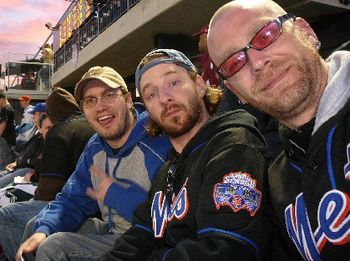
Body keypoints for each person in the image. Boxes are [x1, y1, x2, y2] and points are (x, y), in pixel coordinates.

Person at [207, 0, 350, 259]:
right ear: (235, 92)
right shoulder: (276, 183)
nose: (256, 62)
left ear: (306, 31)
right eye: (234, 62)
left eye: (265, 35)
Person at [103, 49, 272, 260]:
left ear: (200, 86)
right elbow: (141, 235)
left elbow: (225, 252)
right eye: (151, 94)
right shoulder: (167, 171)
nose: (165, 98)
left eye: (173, 83)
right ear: (148, 110)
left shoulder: (235, 149)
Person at [15, 66, 171, 261]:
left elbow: (167, 217)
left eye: (109, 95)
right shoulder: (95, 146)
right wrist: (44, 229)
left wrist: (114, 194)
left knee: (53, 248)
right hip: (111, 231)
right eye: (90, 100)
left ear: (129, 99)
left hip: (146, 242)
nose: (100, 106)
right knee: (36, 227)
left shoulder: (157, 140)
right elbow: (72, 199)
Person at [0, 87, 94, 260]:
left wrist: (33, 192)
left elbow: (48, 191)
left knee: (5, 215)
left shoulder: (59, 133)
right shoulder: (92, 125)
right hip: (92, 204)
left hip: (80, 207)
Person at [0, 104, 48, 188]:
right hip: (20, 168)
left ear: (42, 115)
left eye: (34, 114)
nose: (32, 117)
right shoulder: (37, 134)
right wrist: (16, 163)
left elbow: (35, 161)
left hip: (27, 171)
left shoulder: (46, 137)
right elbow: (27, 153)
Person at [0, 90, 15, 169]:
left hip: (5, 140)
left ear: (1, 99)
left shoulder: (5, 109)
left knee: (3, 164)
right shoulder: (9, 108)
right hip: (9, 140)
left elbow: (3, 124)